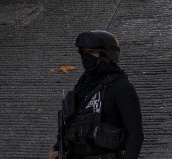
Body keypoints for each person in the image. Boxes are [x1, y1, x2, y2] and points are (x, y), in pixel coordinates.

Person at [49, 30, 143, 159]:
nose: (86, 57)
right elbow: (74, 120)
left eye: (91, 52)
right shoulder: (85, 82)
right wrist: (56, 148)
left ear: (107, 55)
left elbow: (135, 134)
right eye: (83, 53)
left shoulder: (121, 87)